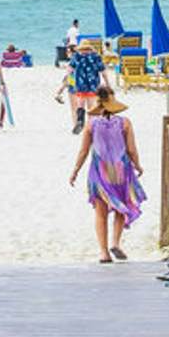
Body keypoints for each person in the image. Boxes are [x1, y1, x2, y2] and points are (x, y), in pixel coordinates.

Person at [70, 87, 146, 263]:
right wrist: (138, 165)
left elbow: (83, 151)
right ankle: (116, 243)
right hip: (120, 170)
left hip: (99, 171)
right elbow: (132, 150)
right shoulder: (124, 122)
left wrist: (75, 171)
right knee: (121, 207)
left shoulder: (91, 124)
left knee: (100, 213)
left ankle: (103, 252)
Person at [60, 33, 106, 133]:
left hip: (80, 86)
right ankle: (90, 127)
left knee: (80, 104)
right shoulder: (96, 57)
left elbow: (69, 70)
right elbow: (103, 71)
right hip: (93, 85)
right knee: (91, 106)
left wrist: (65, 81)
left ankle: (80, 120)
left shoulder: (76, 57)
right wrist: (108, 83)